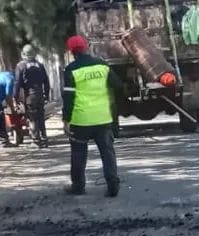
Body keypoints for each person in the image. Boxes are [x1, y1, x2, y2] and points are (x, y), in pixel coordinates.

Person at [62, 34, 123, 197]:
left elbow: (68, 98)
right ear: (86, 47)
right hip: (102, 118)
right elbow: (118, 85)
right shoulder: (102, 65)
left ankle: (78, 186)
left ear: (71, 52)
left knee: (78, 153)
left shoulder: (71, 70)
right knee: (107, 151)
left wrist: (66, 120)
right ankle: (112, 185)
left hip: (80, 120)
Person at [14, 44, 50, 147]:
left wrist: (15, 97)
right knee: (41, 117)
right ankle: (44, 139)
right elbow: (46, 81)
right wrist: (46, 95)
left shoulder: (21, 65)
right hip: (40, 94)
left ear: (23, 54)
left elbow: (17, 82)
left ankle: (36, 141)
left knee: (33, 118)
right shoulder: (40, 65)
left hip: (30, 95)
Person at [0, 67, 15, 147]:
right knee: (1, 120)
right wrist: (12, 109)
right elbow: (8, 96)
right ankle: (4, 142)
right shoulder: (11, 78)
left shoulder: (2, 75)